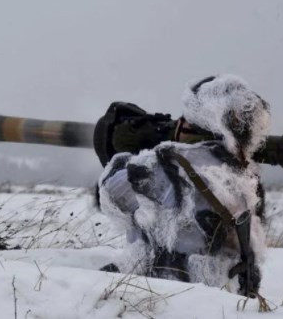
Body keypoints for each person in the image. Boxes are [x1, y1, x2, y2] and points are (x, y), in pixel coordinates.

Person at [97, 74, 269, 296]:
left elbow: (112, 195)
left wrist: (135, 157)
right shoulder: (243, 173)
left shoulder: (164, 164)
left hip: (170, 293)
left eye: (186, 118)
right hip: (226, 296)